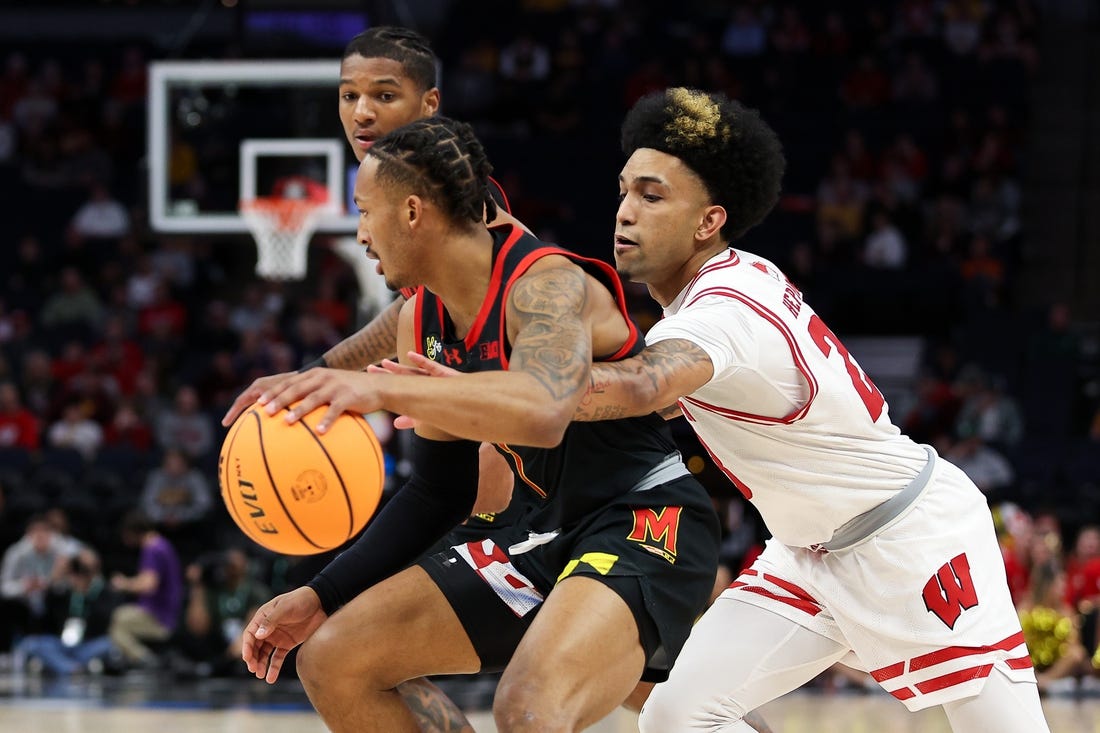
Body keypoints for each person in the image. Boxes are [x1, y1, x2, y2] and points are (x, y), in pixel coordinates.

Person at [560, 87, 1049, 732]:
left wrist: (506, 384)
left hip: (909, 540)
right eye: (624, 191)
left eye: (652, 196)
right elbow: (648, 398)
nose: (625, 212)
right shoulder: (710, 299)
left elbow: (642, 388)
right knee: (678, 715)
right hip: (808, 556)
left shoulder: (725, 308)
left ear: (709, 221)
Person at [231, 116, 722, 733]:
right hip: (539, 534)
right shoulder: (422, 323)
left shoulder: (546, 288)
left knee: (528, 710)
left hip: (642, 520)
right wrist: (321, 593)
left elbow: (545, 410)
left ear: (412, 212)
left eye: (364, 212)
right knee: (334, 658)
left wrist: (378, 386)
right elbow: (439, 490)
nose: (359, 234)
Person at [14, 548, 121, 676]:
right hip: (62, 644)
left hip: (88, 643)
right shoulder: (63, 592)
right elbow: (41, 616)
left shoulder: (104, 591)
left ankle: (65, 666)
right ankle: (72, 668)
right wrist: (56, 576)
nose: (79, 574)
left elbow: (105, 618)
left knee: (109, 644)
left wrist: (86, 593)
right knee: (31, 644)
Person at [108, 509, 184, 669]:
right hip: (164, 610)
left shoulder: (152, 548)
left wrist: (124, 584)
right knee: (120, 620)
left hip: (159, 615)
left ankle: (147, 661)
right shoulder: (162, 544)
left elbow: (149, 584)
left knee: (117, 623)